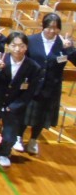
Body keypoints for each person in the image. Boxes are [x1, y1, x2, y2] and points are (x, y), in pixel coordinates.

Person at [0, 32, 42, 168]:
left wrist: (14, 106)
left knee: (9, 137)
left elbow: (30, 92)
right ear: (8, 46)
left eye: (21, 46)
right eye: (14, 45)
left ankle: (3, 152)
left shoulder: (33, 67)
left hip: (14, 106)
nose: (17, 49)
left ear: (26, 47)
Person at [15, 13, 76, 155]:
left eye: (55, 28)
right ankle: (18, 137)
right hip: (32, 85)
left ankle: (33, 140)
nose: (52, 31)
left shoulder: (64, 43)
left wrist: (70, 50)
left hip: (51, 87)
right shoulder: (31, 40)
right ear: (43, 26)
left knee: (42, 117)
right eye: (49, 27)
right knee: (25, 114)